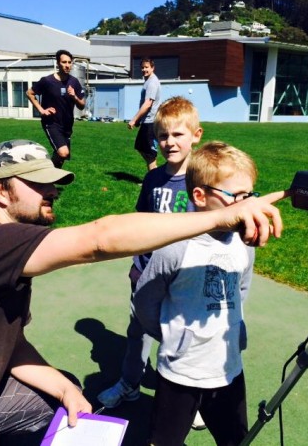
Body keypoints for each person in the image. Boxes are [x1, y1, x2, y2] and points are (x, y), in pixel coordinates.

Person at [0, 139, 285, 445]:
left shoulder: (6, 250)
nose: (53, 190)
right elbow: (100, 239)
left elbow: (10, 345)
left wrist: (63, 389)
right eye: (38, 183)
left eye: (54, 182)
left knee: (64, 395)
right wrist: (218, 218)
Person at [133, 141, 262, 446]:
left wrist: (232, 329)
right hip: (181, 371)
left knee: (235, 439)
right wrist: (172, 336)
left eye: (250, 195)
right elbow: (145, 299)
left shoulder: (244, 244)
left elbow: (241, 289)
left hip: (228, 368)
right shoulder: (175, 246)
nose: (246, 205)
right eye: (236, 197)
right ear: (200, 196)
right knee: (164, 439)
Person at [97, 96, 202, 410]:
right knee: (138, 331)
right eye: (163, 136)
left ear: (196, 135)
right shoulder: (153, 178)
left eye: (178, 134)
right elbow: (141, 222)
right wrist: (136, 264)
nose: (169, 142)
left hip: (185, 277)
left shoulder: (206, 180)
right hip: (147, 273)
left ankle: (186, 400)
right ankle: (130, 383)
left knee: (182, 339)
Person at [26, 49, 85, 168]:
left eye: (69, 62)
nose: (67, 65)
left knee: (61, 158)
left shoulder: (74, 82)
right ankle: (45, 172)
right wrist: (41, 110)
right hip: (52, 122)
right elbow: (29, 93)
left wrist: (74, 96)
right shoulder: (47, 81)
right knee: (63, 152)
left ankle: (49, 179)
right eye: (64, 62)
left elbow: (82, 105)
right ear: (58, 63)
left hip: (67, 125)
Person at [128, 57, 161, 171]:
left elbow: (147, 104)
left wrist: (134, 119)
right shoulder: (148, 81)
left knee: (149, 153)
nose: (144, 69)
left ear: (152, 68)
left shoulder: (152, 83)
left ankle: (154, 179)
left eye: (146, 67)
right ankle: (152, 176)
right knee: (141, 147)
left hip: (150, 122)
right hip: (146, 121)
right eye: (142, 67)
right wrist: (139, 120)